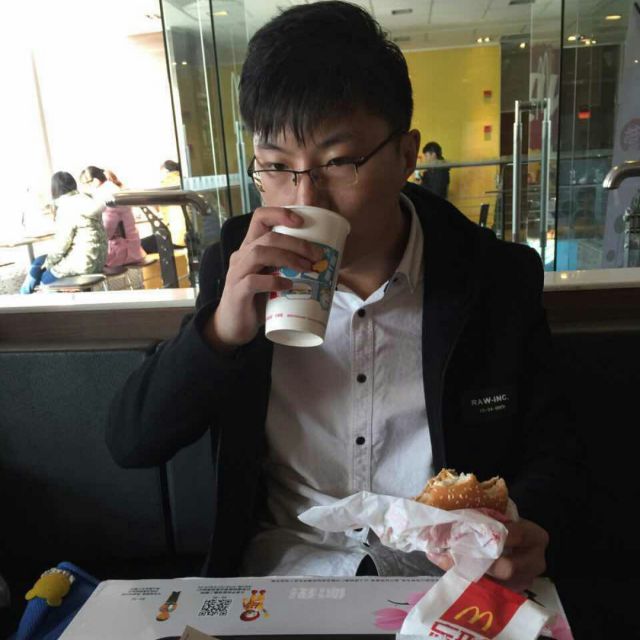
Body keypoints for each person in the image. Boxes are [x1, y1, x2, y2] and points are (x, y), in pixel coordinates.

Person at [107, 1, 581, 589]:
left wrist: (525, 524)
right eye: (275, 166)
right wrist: (222, 332)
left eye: (337, 162)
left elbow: (553, 452)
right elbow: (132, 442)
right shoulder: (236, 263)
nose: (305, 199)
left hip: (440, 584)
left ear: (406, 155)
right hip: (280, 578)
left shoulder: (492, 277)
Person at [20, 172, 107, 294]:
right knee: (38, 262)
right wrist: (48, 262)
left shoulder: (67, 207)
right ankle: (24, 295)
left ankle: (24, 297)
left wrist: (48, 263)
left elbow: (62, 246)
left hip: (81, 263)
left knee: (43, 278)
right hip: (98, 261)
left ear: (54, 189)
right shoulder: (87, 201)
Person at [79, 166, 146, 268]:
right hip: (130, 247)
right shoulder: (112, 190)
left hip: (123, 251)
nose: (84, 189)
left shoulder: (107, 196)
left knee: (83, 262)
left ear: (95, 181)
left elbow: (107, 232)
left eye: (85, 184)